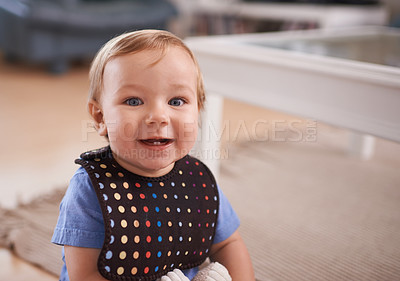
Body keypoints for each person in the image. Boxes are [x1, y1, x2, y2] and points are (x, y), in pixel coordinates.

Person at [51, 29, 255, 281]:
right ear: (100, 117)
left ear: (199, 112)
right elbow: (85, 275)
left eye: (177, 101)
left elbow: (227, 244)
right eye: (134, 101)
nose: (158, 116)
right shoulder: (91, 188)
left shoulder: (198, 180)